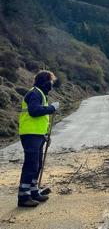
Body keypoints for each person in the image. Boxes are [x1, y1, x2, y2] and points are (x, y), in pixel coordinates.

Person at [17, 70, 60, 208]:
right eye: (51, 81)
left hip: (38, 135)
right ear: (45, 81)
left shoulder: (40, 94)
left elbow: (42, 119)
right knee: (31, 165)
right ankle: (23, 196)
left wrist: (46, 135)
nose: (52, 84)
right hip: (30, 134)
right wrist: (51, 108)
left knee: (38, 165)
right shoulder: (35, 93)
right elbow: (34, 111)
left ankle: (34, 192)